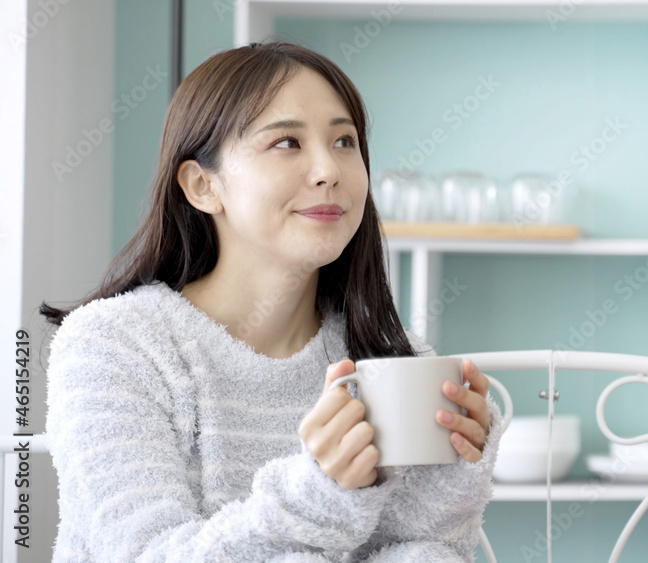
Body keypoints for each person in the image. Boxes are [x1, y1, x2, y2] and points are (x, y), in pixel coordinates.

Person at [40, 41, 502, 562]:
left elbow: (421, 552)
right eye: (286, 142)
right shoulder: (115, 345)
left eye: (345, 141)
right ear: (202, 186)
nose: (329, 169)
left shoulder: (387, 360)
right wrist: (319, 491)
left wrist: (454, 470)